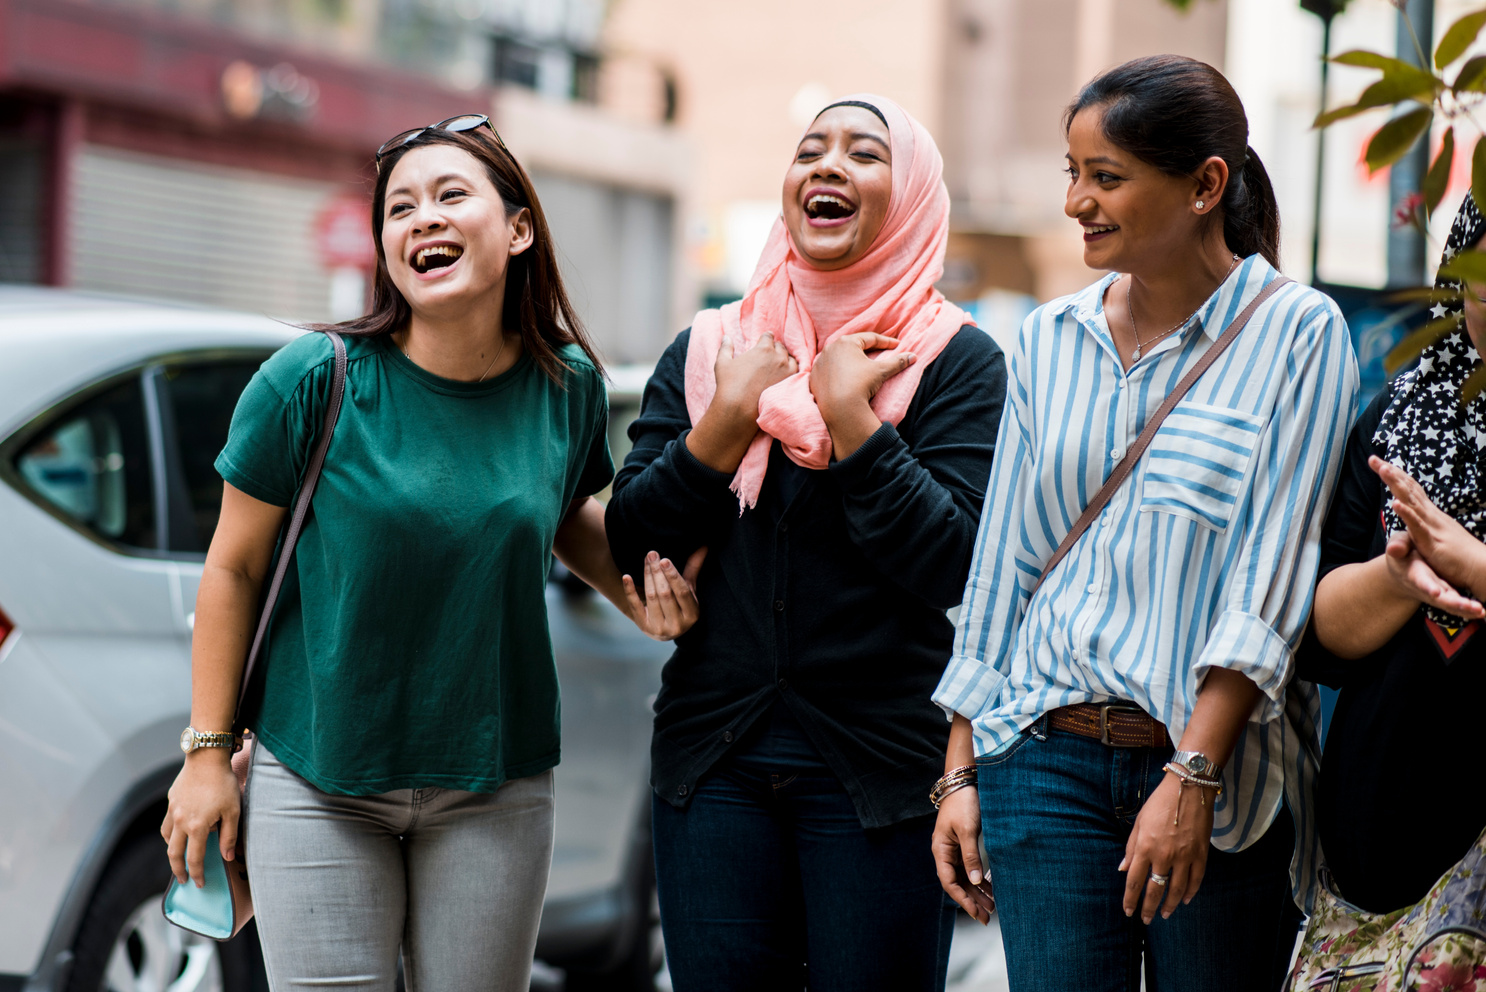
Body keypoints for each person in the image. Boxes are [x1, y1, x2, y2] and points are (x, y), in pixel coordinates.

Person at [159, 115, 700, 992]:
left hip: (496, 786)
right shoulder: (313, 380)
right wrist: (207, 755)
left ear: (518, 229)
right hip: (321, 780)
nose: (422, 219)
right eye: (400, 207)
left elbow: (566, 514)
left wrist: (641, 596)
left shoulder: (564, 388)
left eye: (451, 195)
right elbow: (233, 570)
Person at [930, 55, 1358, 992]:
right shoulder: (1047, 337)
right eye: (1073, 174)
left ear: (1206, 185)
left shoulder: (1300, 332)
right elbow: (1002, 565)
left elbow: (1271, 577)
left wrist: (1192, 774)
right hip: (1039, 756)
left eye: (1108, 177)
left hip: (1220, 778)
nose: (1080, 200)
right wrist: (960, 770)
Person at [604, 95, 1006, 992]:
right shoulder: (714, 348)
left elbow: (955, 560)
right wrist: (725, 418)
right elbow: (633, 535)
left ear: (909, 200)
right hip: (715, 764)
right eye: (809, 150)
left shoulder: (954, 362)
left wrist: (854, 421)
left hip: (882, 775)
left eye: (864, 153)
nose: (826, 165)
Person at [1301, 195, 1486, 915]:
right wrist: (1396, 576)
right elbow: (1323, 646)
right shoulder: (1400, 416)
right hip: (1387, 832)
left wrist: (1470, 565)